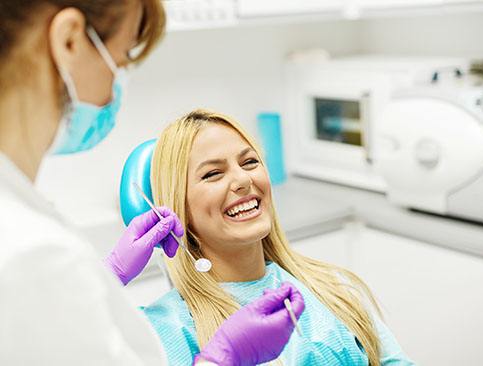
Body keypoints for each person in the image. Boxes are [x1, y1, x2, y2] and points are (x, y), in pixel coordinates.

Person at [0, 1, 305, 365]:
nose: (116, 88)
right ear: (70, 41)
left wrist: (106, 275)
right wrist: (221, 360)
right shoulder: (33, 255)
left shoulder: (331, 290)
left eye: (250, 161)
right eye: (124, 56)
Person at [142, 109, 416, 365]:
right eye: (213, 174)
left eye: (250, 162)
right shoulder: (166, 327)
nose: (243, 180)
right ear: (179, 208)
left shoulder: (330, 288)